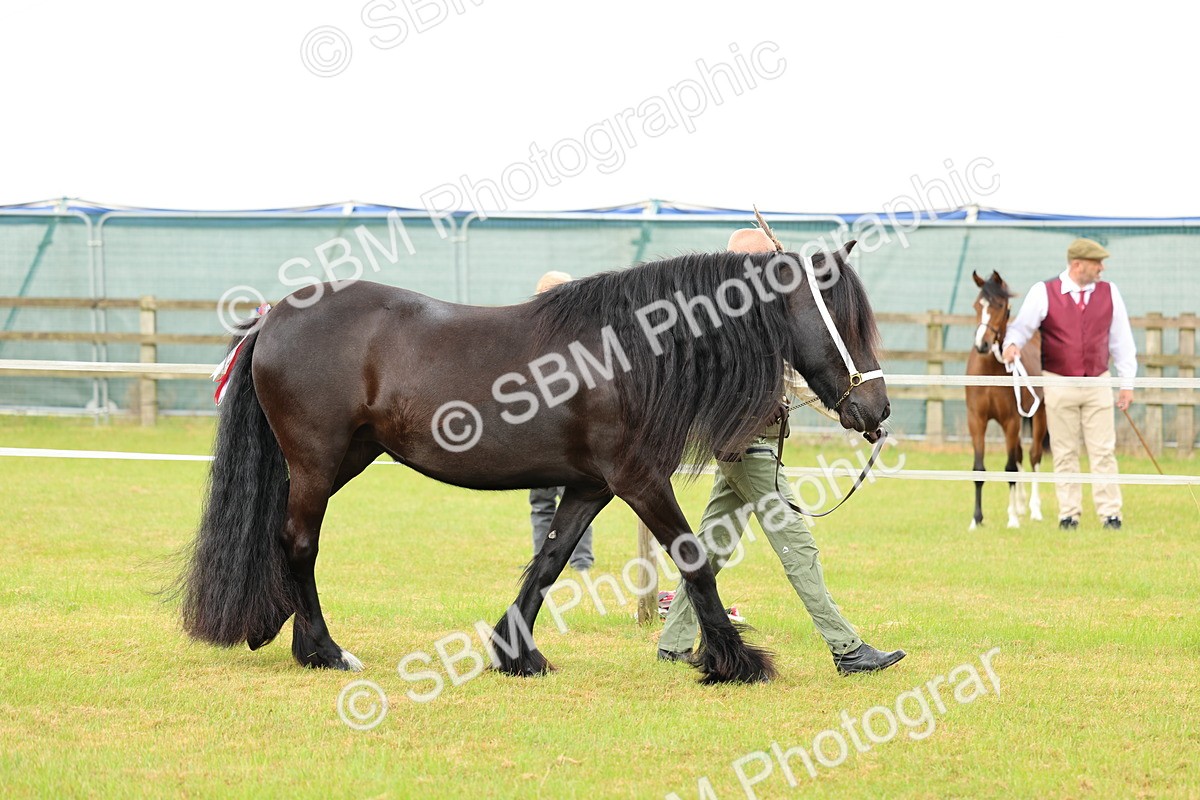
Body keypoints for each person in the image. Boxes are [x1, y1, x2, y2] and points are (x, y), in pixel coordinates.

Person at [656, 229, 906, 676]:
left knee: (711, 547)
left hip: (751, 447)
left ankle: (672, 644)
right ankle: (847, 649)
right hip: (749, 450)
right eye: (770, 262)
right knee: (798, 545)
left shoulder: (755, 316)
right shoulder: (728, 322)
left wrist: (848, 411)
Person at [1002, 237, 1136, 531]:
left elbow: (1122, 342)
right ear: (1078, 265)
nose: (1102, 268)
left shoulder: (1110, 293)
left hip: (1099, 381)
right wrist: (1011, 345)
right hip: (1059, 382)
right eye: (1096, 263)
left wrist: (1127, 383)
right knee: (1064, 451)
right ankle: (1069, 514)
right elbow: (1021, 328)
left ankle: (1110, 513)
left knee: (1103, 450)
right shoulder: (1044, 292)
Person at [529, 271, 595, 572]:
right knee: (547, 501)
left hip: (566, 434)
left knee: (576, 498)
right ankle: (545, 560)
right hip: (540, 434)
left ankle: (579, 560)